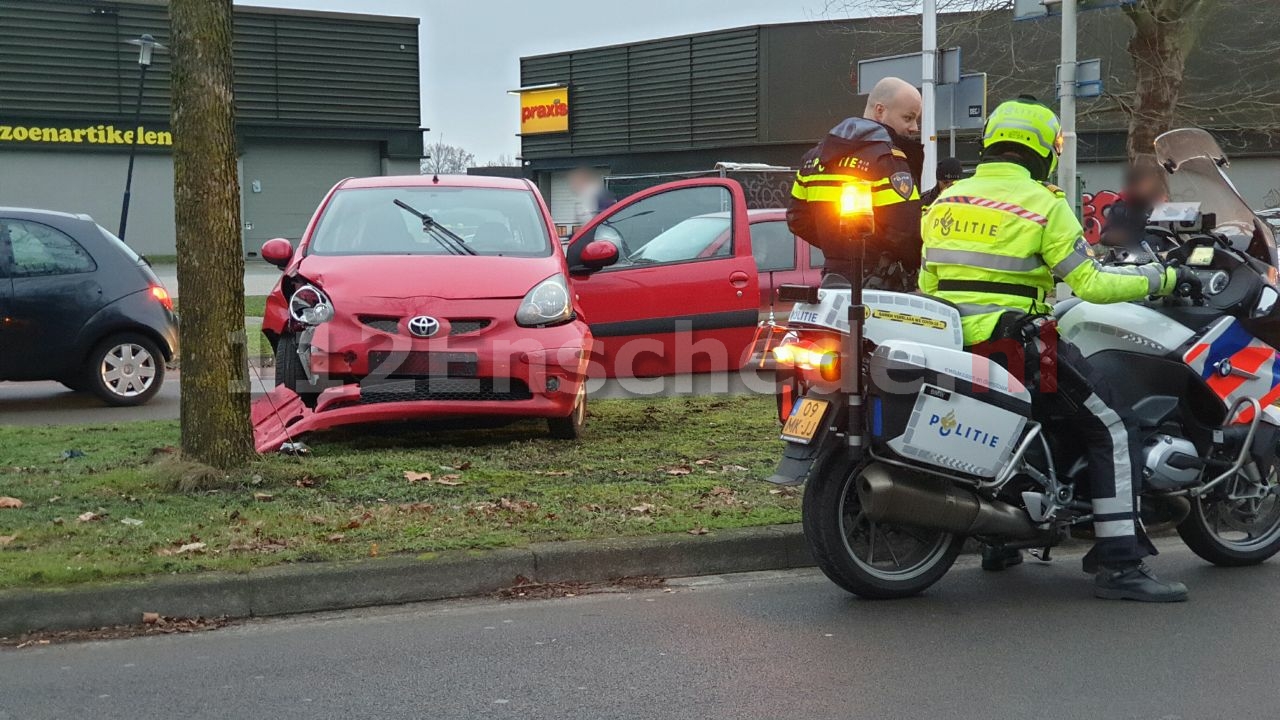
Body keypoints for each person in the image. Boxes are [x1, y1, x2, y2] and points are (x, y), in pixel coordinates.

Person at [919, 96, 1201, 602]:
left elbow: (928, 280)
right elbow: (1090, 282)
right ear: (1043, 149)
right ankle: (1120, 565)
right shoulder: (1043, 204)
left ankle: (1000, 544)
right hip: (1017, 342)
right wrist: (1162, 277)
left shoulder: (946, 200)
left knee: (1025, 429)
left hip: (956, 342)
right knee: (1113, 427)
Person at [787, 77, 924, 289]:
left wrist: (839, 248)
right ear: (880, 110)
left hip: (833, 277)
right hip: (881, 283)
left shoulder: (814, 158)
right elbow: (905, 231)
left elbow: (798, 220)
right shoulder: (887, 159)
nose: (914, 127)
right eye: (908, 118)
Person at [1100, 157, 1168, 248]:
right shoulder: (1120, 207)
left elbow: (1171, 237)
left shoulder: (1161, 206)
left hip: (1158, 256)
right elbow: (1104, 237)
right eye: (1135, 184)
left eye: (1144, 183)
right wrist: (1114, 237)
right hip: (1127, 256)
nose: (1138, 188)